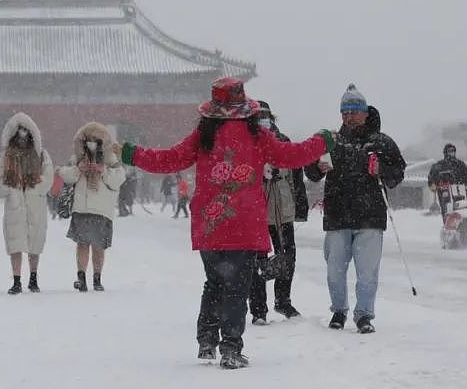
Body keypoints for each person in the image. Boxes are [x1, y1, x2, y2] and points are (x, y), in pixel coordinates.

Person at [119, 77, 331, 367]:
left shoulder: (203, 135)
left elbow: (170, 159)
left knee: (215, 283)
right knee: (237, 287)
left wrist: (134, 154)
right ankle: (231, 347)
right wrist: (321, 141)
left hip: (212, 221)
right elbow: (291, 156)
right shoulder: (257, 136)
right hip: (244, 220)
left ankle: (207, 340)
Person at [304, 84, 406, 334]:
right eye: (345, 112)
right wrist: (318, 168)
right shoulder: (330, 140)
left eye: (354, 111)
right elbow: (310, 171)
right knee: (334, 271)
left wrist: (381, 169)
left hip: (370, 216)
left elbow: (397, 174)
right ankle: (339, 311)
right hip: (338, 215)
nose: (349, 116)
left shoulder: (381, 142)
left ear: (365, 112)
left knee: (367, 272)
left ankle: (364, 315)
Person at [249, 100, 309, 324]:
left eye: (265, 115)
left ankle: (283, 300)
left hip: (282, 208)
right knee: (256, 259)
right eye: (258, 116)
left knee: (288, 255)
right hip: (255, 210)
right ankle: (258, 309)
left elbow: (296, 176)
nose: (262, 119)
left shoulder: (283, 141)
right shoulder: (246, 143)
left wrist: (300, 205)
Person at [58, 121, 126, 292]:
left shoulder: (110, 158)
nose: (92, 143)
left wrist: (103, 170)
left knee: (98, 246)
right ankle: (81, 278)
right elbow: (66, 175)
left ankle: (97, 278)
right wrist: (79, 169)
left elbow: (119, 179)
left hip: (102, 209)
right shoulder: (77, 157)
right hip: (82, 206)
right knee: (82, 244)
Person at [0, 112, 54, 294]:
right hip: (15, 203)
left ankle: (33, 277)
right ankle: (16, 280)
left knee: (34, 243)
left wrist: (36, 189)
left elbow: (48, 176)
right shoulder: (7, 156)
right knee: (15, 242)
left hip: (34, 203)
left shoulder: (41, 155)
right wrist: (10, 189)